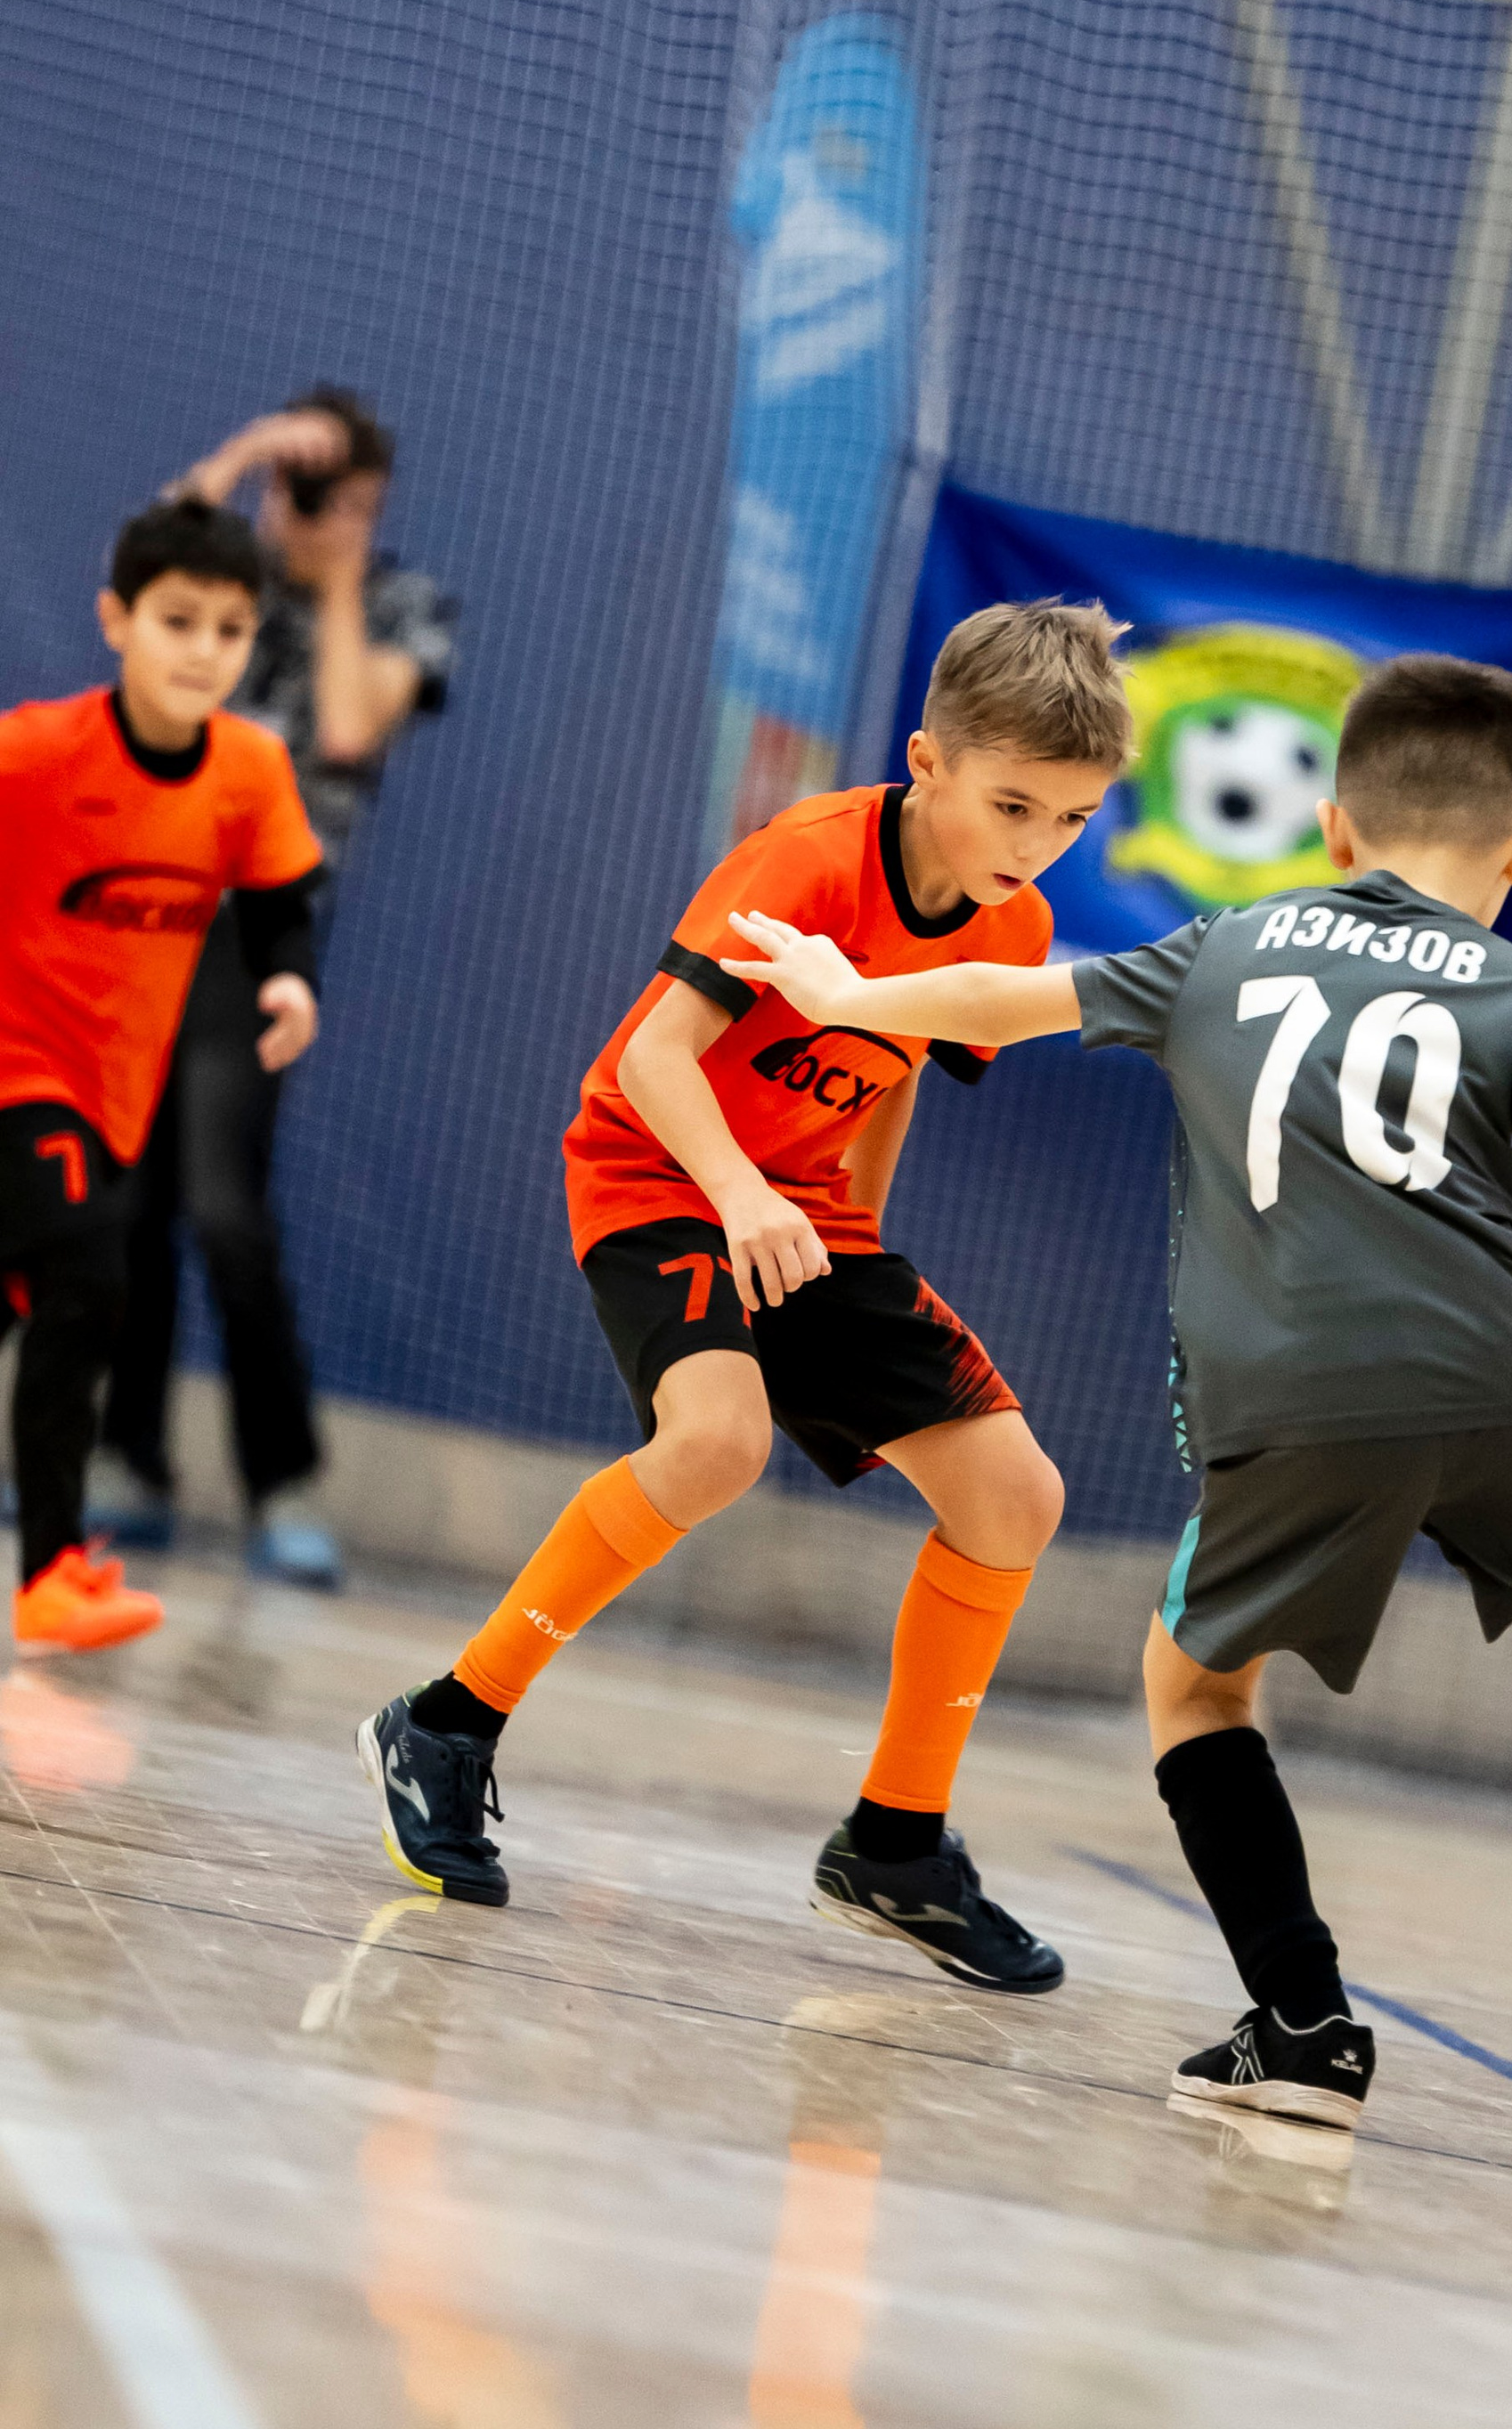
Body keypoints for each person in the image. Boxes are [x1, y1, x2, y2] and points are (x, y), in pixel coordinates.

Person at [728, 652, 1512, 2132]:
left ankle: (1302, 2028)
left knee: (1197, 1687)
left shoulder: (1226, 946)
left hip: (1297, 1402)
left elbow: (1007, 998)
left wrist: (851, 986)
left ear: (1334, 829)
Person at [354, 598, 1132, 1985]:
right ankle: (447, 1721)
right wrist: (745, 1194)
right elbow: (657, 1056)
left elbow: (896, 1073)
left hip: (802, 1214)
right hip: (656, 1173)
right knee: (716, 1442)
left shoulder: (1015, 933)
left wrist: (852, 1237)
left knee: (1018, 1495)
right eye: (1015, 805)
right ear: (928, 760)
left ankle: (895, 1843)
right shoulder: (810, 858)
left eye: (1070, 820)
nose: (1035, 847)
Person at [98, 389, 457, 1583]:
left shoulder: (404, 606)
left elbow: (351, 729)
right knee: (128, 1200)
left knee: (221, 1201)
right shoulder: (223, 590)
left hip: (260, 933)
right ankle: (132, 1462)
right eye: (302, 495)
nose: (308, 518)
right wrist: (248, 450)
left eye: (338, 498)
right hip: (150, 913)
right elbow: (143, 567)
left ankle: (281, 1479)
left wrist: (342, 567)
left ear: (374, 506)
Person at [0, 499, 324, 1653]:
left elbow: (283, 897)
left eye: (230, 629)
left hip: (113, 1094)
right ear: (115, 620)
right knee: (91, 1271)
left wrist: (287, 982)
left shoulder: (248, 767)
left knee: (62, 1296)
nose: (203, 649)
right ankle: (49, 1568)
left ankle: (51, 1560)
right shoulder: (37, 752)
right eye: (178, 619)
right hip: (16, 1074)